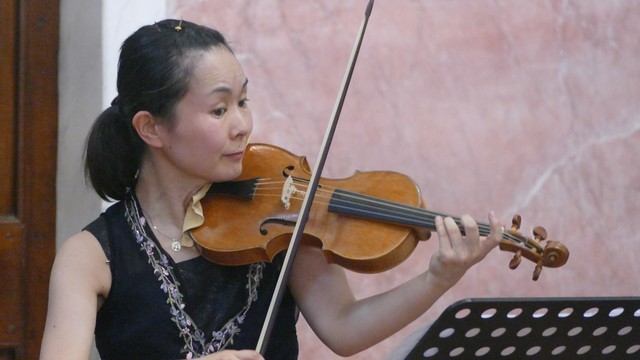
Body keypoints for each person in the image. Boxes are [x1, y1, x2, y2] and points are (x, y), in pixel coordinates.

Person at [40, 19, 503, 360]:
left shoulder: (280, 216)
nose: (243, 125)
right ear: (152, 128)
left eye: (243, 101)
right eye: (219, 110)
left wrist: (438, 278)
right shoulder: (92, 256)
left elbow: (345, 327)